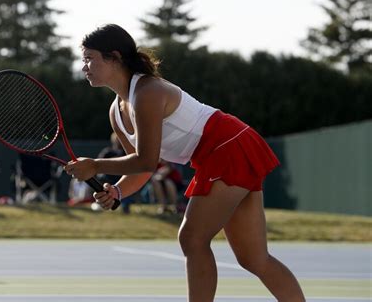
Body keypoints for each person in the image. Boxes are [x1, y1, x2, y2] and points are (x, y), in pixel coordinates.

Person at [64, 24, 305, 301]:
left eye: (89, 57)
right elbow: (143, 168)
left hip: (228, 146)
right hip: (227, 149)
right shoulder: (116, 111)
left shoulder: (148, 92)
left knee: (193, 239)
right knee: (254, 258)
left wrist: (95, 165)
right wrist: (117, 191)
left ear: (114, 57)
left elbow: (145, 160)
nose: (84, 66)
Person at [97, 132, 133, 213]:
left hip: (122, 178)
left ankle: (125, 205)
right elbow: (98, 165)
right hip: (108, 179)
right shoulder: (108, 152)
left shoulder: (127, 153)